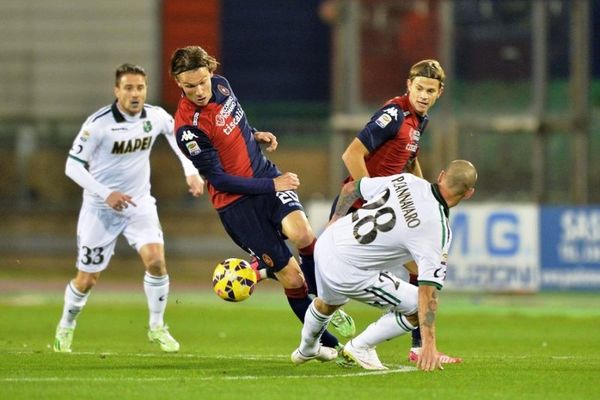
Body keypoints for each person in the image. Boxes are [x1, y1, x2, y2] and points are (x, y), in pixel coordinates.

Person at [169, 45, 354, 350]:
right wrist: (275, 186)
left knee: (303, 233)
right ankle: (328, 344)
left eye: (202, 81)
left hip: (264, 174)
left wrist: (254, 134)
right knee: (293, 279)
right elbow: (218, 179)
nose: (199, 91)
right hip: (238, 206)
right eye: (190, 86)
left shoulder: (222, 85)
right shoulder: (188, 129)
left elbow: (234, 124)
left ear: (211, 72)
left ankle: (323, 300)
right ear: (179, 84)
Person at [53, 63, 205, 353]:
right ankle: (66, 324)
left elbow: (178, 137)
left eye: (140, 88)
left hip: (139, 204)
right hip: (100, 208)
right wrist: (106, 193)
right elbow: (72, 166)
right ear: (117, 91)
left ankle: (157, 326)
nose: (135, 94)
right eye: (129, 88)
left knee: (156, 261)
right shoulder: (98, 124)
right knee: (87, 279)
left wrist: (190, 170)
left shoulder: (156, 116)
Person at [331, 59, 461, 363]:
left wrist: (426, 195)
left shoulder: (419, 120)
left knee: (421, 270)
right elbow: (351, 154)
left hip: (385, 209)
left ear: (440, 92)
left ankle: (416, 346)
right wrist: (373, 197)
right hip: (364, 208)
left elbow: (409, 161)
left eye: (430, 90)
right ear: (408, 86)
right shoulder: (394, 114)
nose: (424, 95)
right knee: (330, 286)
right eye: (419, 88)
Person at [293, 160, 477, 370]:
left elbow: (351, 188)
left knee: (327, 303)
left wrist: (335, 218)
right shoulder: (438, 229)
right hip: (348, 269)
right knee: (417, 307)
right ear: (469, 193)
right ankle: (360, 347)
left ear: (441, 175)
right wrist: (429, 344)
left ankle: (307, 348)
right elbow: (427, 292)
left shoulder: (407, 181)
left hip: (329, 241)